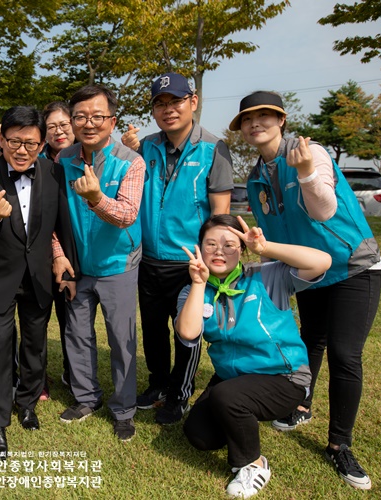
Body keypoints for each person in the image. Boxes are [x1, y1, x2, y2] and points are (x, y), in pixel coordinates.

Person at [231, 90, 381, 490]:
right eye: (247, 119)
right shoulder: (256, 177)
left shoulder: (309, 153)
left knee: (344, 354)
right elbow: (275, 233)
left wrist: (305, 174)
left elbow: (324, 210)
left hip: (352, 266)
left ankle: (339, 445)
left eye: (264, 116)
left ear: (281, 120)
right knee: (310, 340)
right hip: (310, 270)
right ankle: (301, 405)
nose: (255, 124)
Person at [176, 214, 331, 498]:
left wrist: (265, 248)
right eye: (210, 244)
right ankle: (239, 416)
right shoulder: (193, 289)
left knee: (228, 397)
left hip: (283, 378)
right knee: (199, 435)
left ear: (243, 249)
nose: (219, 251)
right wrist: (198, 284)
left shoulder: (266, 276)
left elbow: (322, 261)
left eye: (229, 245)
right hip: (232, 379)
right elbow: (188, 332)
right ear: (199, 247)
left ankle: (253, 464)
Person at [0, 106, 79, 460]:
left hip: (40, 275)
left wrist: (66, 265)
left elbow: (62, 224)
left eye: (31, 143)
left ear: (42, 144)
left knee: (35, 343)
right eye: (14, 141)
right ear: (1, 139)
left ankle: (27, 402)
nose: (22, 150)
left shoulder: (55, 172)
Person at [121, 72, 233, 425]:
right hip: (147, 259)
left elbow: (220, 214)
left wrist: (212, 260)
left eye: (176, 101)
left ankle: (179, 395)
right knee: (153, 329)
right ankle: (158, 384)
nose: (168, 109)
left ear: (193, 102)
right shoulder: (146, 147)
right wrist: (127, 148)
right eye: (160, 104)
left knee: (187, 332)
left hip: (189, 263)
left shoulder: (214, 148)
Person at [53, 84, 143, 441]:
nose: (88, 123)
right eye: (80, 117)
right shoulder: (63, 160)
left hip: (118, 264)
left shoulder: (130, 161)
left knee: (121, 339)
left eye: (97, 116)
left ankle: (123, 409)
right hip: (77, 265)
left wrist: (95, 198)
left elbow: (127, 214)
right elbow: (53, 215)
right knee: (77, 335)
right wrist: (59, 256)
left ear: (112, 121)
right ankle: (86, 398)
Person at [40, 101, 77, 398]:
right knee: (37, 319)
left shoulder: (85, 158)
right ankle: (36, 378)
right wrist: (55, 252)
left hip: (75, 254)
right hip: (42, 253)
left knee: (71, 319)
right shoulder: (37, 162)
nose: (59, 131)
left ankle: (72, 372)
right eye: (51, 126)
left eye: (64, 124)